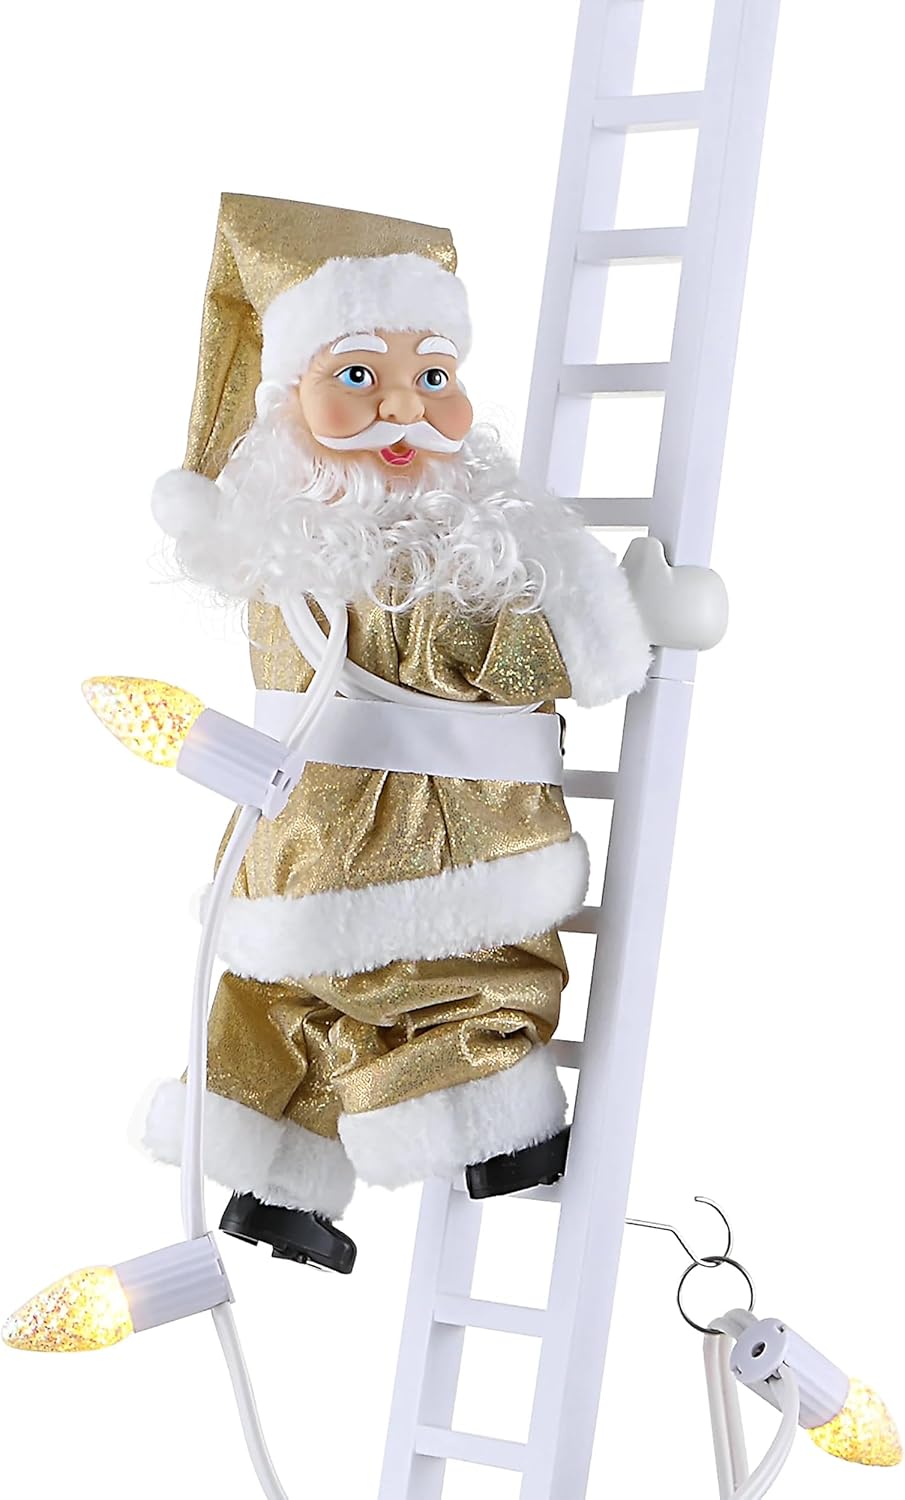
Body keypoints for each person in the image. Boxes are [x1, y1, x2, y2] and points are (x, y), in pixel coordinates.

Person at [138, 195, 712, 1273]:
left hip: (282, 860)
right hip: (415, 851)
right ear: (289, 399)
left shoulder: (280, 552)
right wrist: (625, 620)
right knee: (475, 981)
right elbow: (490, 650)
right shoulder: (406, 553)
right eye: (359, 374)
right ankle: (494, 1133)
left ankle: (275, 1179)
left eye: (433, 376)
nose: (404, 406)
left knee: (289, 1006)